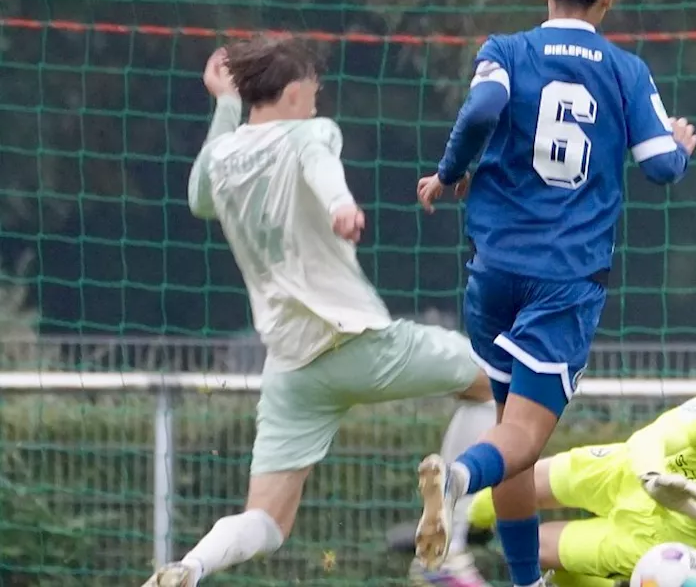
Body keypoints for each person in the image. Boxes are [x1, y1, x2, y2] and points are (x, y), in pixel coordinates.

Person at [142, 39, 496, 587]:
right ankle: (447, 550)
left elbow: (199, 199)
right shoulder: (312, 131)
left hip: (290, 367)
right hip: (357, 343)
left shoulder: (223, 157)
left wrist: (225, 105)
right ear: (290, 93)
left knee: (268, 519)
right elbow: (319, 166)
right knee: (493, 384)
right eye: (311, 93)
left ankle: (193, 564)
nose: (315, 103)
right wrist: (341, 207)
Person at [412, 0, 696, 587]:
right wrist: (680, 145)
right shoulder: (626, 71)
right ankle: (456, 480)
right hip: (564, 280)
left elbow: (482, 108)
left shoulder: (506, 50)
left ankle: (524, 580)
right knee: (521, 441)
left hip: (493, 272)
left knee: (511, 425)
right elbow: (659, 166)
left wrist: (451, 171)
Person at [432, 361, 696, 587]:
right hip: (620, 472)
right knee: (523, 481)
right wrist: (651, 477)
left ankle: (470, 540)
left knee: (532, 546)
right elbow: (653, 438)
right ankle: (465, 533)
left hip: (647, 542)